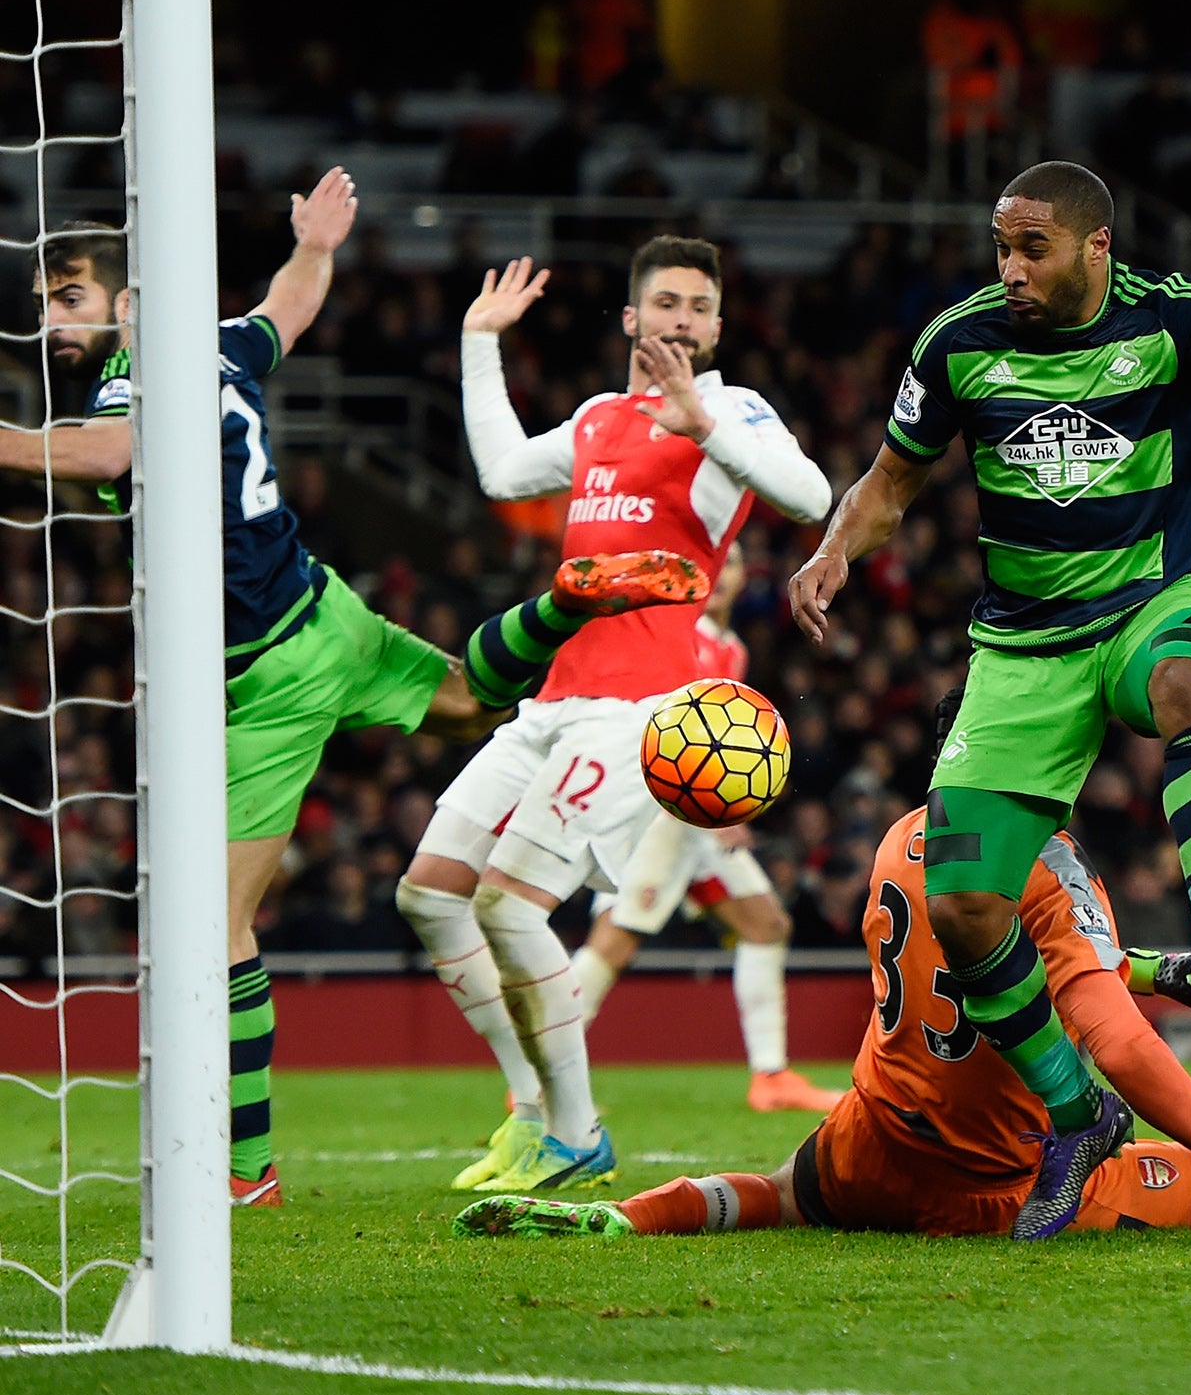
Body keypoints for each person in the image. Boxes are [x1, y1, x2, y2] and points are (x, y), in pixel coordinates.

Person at [455, 704, 1191, 1243]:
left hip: (868, 1150)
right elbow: (1107, 1037)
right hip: (1002, 1186)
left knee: (770, 1194)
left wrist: (1172, 975)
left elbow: (1021, 969)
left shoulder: (907, 838)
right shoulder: (1051, 866)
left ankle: (627, 1219)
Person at [788, 159, 1191, 1235]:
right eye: (1000, 248)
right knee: (961, 906)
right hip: (1020, 651)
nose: (1007, 269)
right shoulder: (956, 343)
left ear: (1095, 247)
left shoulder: (1172, 314)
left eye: (1029, 250)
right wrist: (834, 552)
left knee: (1188, 685)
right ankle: (1074, 1110)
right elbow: (889, 483)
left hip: (1152, 600)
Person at [11, 177, 507, 1206]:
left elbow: (112, 450)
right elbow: (289, 306)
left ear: (129, 301)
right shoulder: (220, 344)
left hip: (268, 676)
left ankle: (245, 1173)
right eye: (42, 303)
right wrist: (315, 245)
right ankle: (573, 610)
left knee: (212, 926)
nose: (48, 320)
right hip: (324, 611)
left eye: (67, 297)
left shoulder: (133, 384)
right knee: (474, 701)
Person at [395, 241, 833, 1195]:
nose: (681, 318)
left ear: (716, 328)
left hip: (641, 709)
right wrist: (479, 345)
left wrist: (704, 424)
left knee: (509, 907)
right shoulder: (598, 417)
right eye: (664, 302)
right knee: (428, 894)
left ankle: (576, 1131)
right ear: (631, 321)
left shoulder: (736, 411)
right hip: (551, 698)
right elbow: (506, 474)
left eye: (699, 306)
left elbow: (811, 497)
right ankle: (528, 1108)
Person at [568, 547, 842, 1115]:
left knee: (766, 924)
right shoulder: (674, 635)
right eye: (718, 559)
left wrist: (726, 808)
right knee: (615, 943)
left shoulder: (731, 649)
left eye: (737, 562)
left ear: (744, 578)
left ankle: (770, 1076)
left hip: (698, 822)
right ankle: (537, 1071)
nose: (724, 572)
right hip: (656, 814)